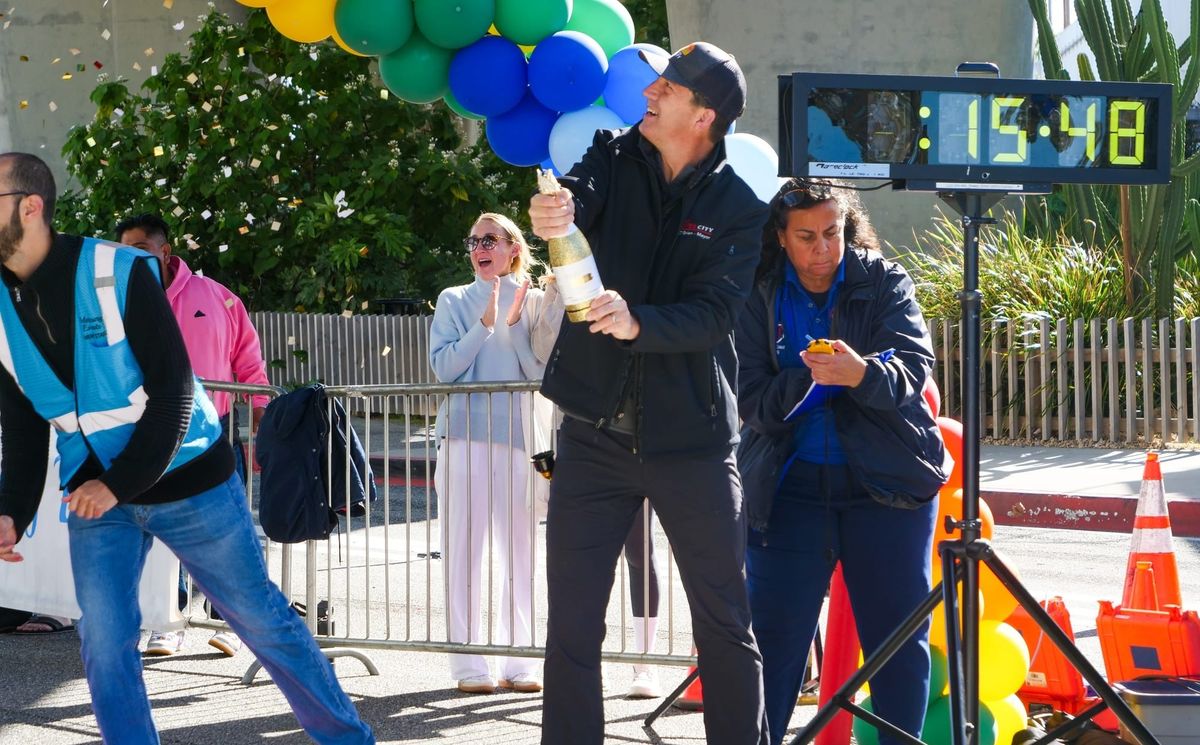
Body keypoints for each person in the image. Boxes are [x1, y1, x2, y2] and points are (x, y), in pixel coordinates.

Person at [0, 152, 374, 745]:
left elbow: (174, 393)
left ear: (29, 207)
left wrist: (115, 484)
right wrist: (12, 513)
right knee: (104, 641)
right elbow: (23, 418)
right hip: (98, 496)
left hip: (188, 481)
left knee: (261, 621)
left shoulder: (117, 269)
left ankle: (348, 739)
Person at [528, 42, 770, 744]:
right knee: (572, 626)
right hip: (592, 437)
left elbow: (716, 314)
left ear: (704, 115)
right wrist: (557, 211)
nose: (649, 92)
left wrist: (639, 322)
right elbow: (577, 197)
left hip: (693, 444)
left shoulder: (739, 207)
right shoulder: (610, 154)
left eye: (668, 87)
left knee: (724, 624)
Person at [735, 177, 949, 744]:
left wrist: (860, 373)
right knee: (774, 643)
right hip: (789, 491)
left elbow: (913, 369)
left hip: (887, 486)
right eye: (806, 236)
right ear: (781, 238)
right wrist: (810, 381)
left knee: (897, 643)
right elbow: (749, 398)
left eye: (832, 232)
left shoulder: (884, 280)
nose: (822, 248)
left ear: (847, 227)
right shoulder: (757, 293)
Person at [116, 212, 271, 658]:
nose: (130, 260)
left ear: (165, 252)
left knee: (228, 530)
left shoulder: (217, 297)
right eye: (122, 252)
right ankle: (167, 622)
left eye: (140, 250)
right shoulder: (113, 303)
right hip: (146, 434)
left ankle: (234, 622)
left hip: (212, 432)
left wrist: (261, 412)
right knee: (157, 529)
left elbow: (248, 362)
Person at [429, 212, 550, 695]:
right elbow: (445, 369)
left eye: (490, 239)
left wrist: (514, 323)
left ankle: (520, 662)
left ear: (513, 248)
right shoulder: (453, 299)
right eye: (474, 240)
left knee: (520, 553)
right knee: (462, 550)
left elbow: (539, 373)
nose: (480, 248)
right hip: (462, 437)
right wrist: (483, 326)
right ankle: (468, 664)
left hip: (519, 440)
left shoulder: (535, 299)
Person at [530, 279, 664, 700]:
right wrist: (558, 294)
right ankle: (584, 670)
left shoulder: (633, 271)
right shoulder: (559, 286)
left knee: (639, 549)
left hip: (638, 430)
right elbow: (543, 351)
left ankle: (645, 663)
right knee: (578, 562)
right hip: (583, 436)